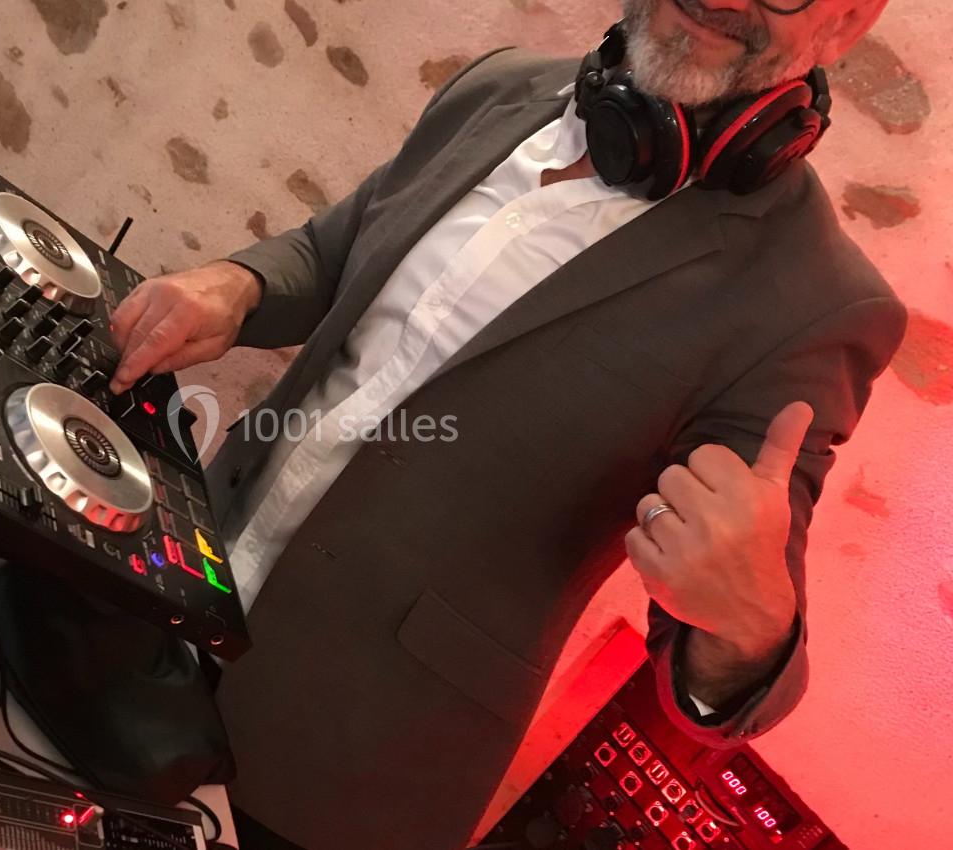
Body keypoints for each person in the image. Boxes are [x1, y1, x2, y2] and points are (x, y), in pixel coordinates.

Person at [109, 0, 905, 847]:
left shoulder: (822, 305)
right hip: (178, 585)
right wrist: (241, 283)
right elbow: (338, 249)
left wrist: (748, 634)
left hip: (341, 768)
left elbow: (725, 622)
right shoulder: (498, 88)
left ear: (849, 21)